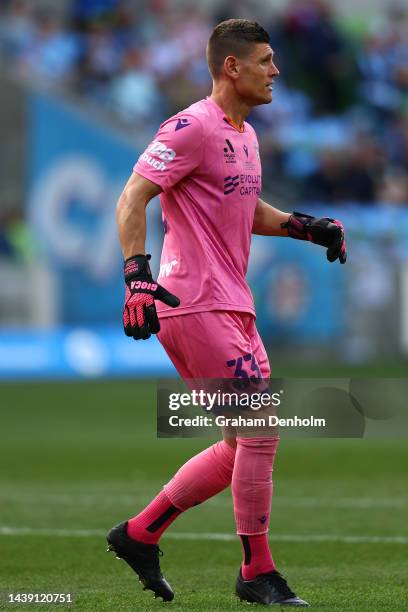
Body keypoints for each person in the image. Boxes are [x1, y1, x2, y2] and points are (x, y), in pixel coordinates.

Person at [106, 19, 346, 607]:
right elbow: (133, 196)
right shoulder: (190, 127)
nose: (276, 71)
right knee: (260, 428)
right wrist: (136, 276)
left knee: (242, 442)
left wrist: (302, 227)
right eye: (265, 60)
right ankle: (255, 572)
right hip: (192, 302)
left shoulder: (246, 135)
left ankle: (139, 534)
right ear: (232, 67)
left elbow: (244, 206)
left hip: (233, 303)